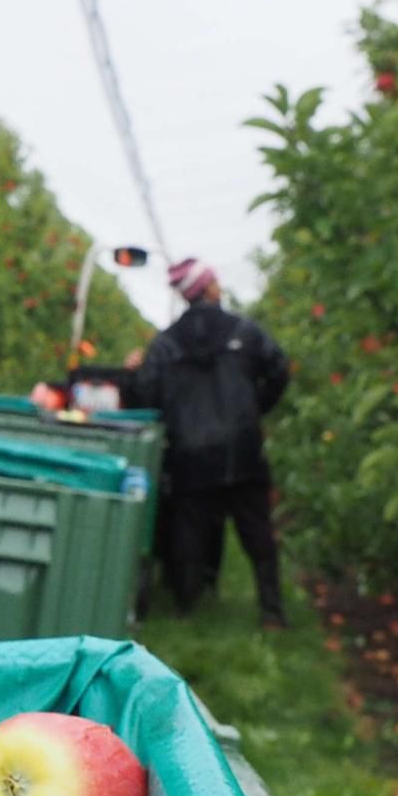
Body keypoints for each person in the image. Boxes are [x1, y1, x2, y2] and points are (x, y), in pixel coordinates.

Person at [123, 256, 290, 628]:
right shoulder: (245, 332)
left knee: (189, 533)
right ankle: (272, 612)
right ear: (210, 289)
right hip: (241, 449)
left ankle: (186, 609)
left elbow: (146, 399)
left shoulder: (165, 345)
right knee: (257, 531)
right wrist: (254, 409)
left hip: (190, 454)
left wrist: (131, 377)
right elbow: (279, 369)